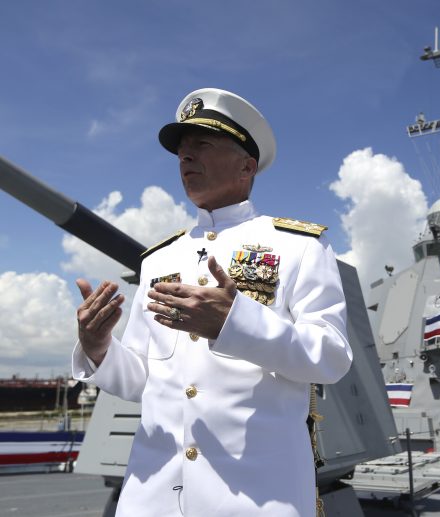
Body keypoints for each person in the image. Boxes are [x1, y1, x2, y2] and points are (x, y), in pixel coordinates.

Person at [72, 88, 353, 516]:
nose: (185, 157)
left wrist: (234, 323)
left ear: (247, 166)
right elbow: (141, 380)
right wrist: (98, 348)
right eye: (181, 151)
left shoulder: (300, 247)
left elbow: (331, 358)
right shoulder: (158, 259)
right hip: (154, 499)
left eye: (202, 144)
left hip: (257, 499)